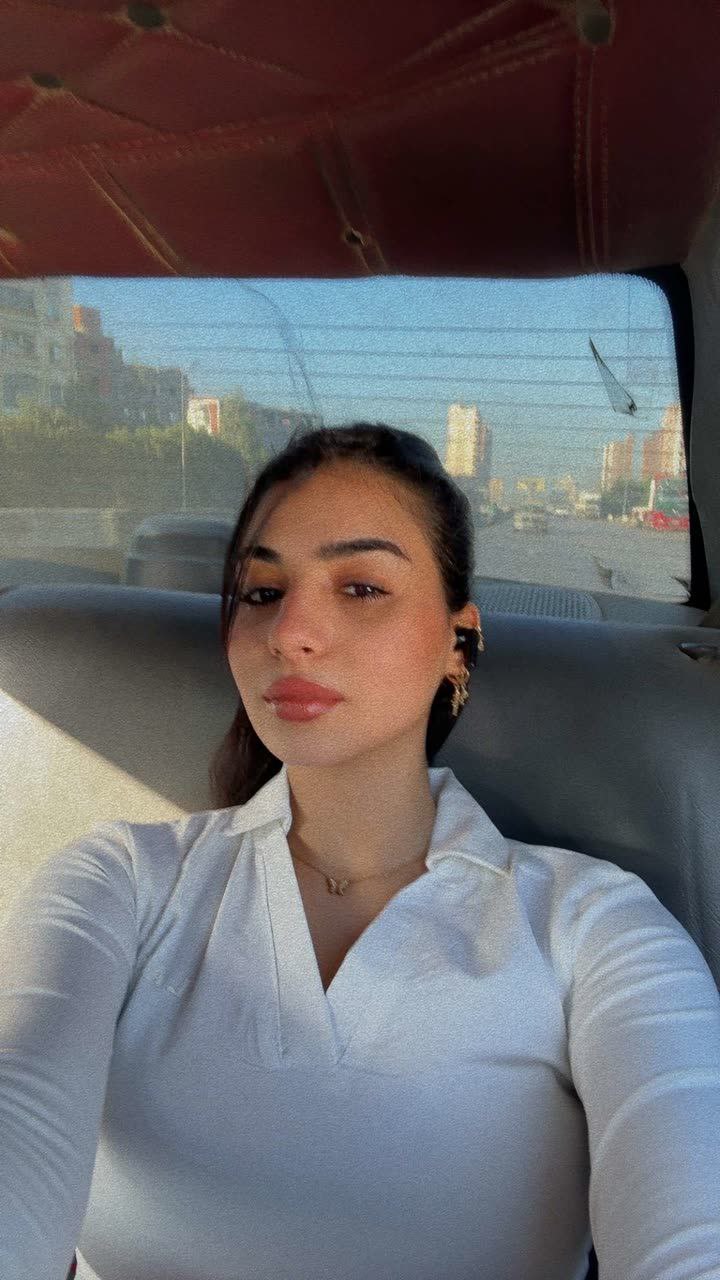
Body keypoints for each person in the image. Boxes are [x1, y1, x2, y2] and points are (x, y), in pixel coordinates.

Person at [1, 422, 719, 1280]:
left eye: (363, 587)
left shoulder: (595, 927)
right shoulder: (117, 881)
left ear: (457, 640)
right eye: (262, 591)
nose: (291, 632)